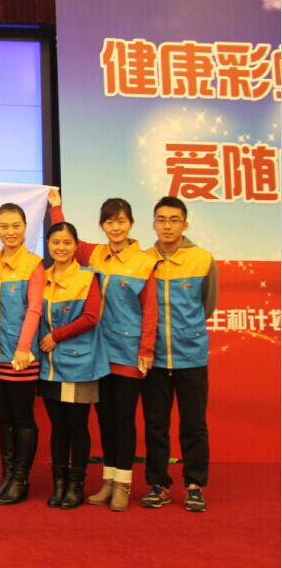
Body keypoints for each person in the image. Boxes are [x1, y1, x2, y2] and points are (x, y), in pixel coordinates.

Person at [48, 189, 157, 511]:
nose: (115, 228)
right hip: (98, 354)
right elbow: (64, 239)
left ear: (131, 224)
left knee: (124, 419)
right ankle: (108, 480)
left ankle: (123, 482)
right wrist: (56, 207)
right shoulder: (95, 254)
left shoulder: (144, 262)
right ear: (102, 225)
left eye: (121, 221)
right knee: (105, 419)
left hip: (128, 352)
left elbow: (150, 310)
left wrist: (146, 349)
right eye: (109, 222)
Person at [141, 196, 217, 513]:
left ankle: (194, 485)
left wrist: (187, 331)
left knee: (194, 425)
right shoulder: (144, 260)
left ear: (184, 224)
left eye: (174, 220)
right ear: (154, 223)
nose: (167, 225)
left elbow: (207, 305)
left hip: (191, 357)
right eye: (161, 219)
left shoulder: (202, 259)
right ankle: (158, 484)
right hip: (154, 358)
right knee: (155, 424)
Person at [38, 221, 108, 510]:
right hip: (50, 365)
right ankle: (59, 483)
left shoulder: (88, 277)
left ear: (76, 246)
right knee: (58, 426)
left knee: (77, 425)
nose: (61, 248)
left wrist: (56, 336)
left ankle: (76, 485)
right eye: (55, 242)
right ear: (48, 245)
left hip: (80, 364)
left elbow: (91, 317)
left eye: (67, 243)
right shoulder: (41, 277)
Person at [0, 203, 44, 506]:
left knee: (22, 419)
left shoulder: (34, 264)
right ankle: (7, 477)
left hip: (21, 356)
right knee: (4, 420)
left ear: (25, 228)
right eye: (4, 226)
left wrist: (23, 347)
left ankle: (21, 479)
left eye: (16, 226)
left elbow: (34, 308)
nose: (10, 232)